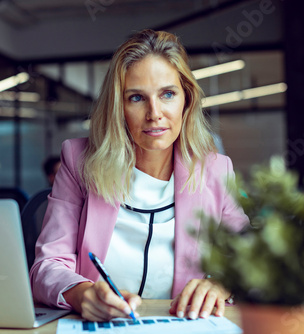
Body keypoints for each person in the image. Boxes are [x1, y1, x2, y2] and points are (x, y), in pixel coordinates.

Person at [30, 29, 248, 322]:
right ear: (118, 107)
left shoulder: (215, 170)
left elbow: (251, 259)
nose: (154, 113)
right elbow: (47, 265)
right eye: (136, 98)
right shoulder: (79, 161)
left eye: (168, 94)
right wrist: (82, 294)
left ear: (187, 99)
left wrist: (222, 283)